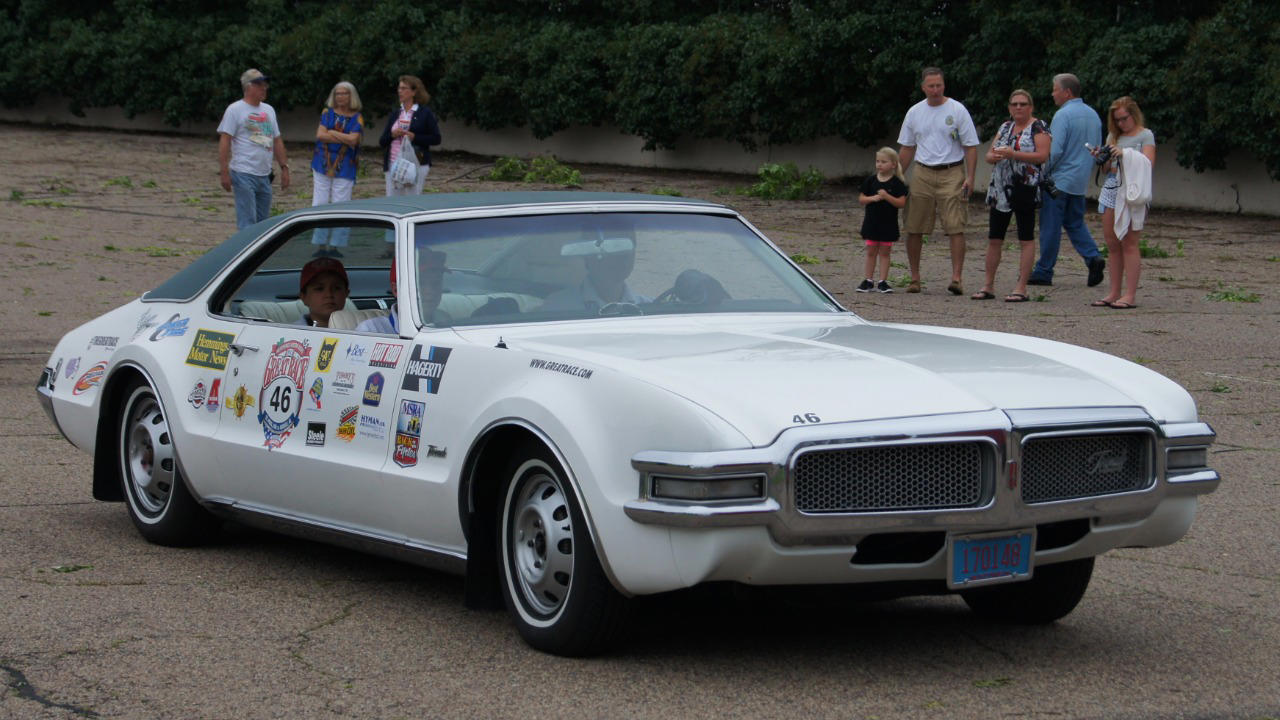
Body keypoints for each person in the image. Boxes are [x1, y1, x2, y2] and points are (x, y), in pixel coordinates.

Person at [896, 67, 980, 295]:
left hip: (952, 171)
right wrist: (894, 177)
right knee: (914, 225)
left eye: (939, 85)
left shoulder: (957, 109)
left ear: (944, 85)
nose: (935, 90)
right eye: (931, 86)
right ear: (923, 87)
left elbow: (970, 146)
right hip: (922, 171)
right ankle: (914, 278)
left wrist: (970, 177)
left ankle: (956, 278)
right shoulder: (914, 112)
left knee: (955, 226)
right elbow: (907, 147)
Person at [1028, 73, 1106, 287]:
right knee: (1074, 222)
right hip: (1079, 182)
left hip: (1059, 181)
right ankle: (1093, 257)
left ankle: (1044, 270)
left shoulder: (1063, 115)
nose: (1052, 93)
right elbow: (1097, 151)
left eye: (1055, 89)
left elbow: (1056, 150)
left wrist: (1042, 173)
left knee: (1050, 226)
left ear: (1067, 92)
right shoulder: (1093, 115)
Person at [976, 89, 1051, 302]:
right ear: (1009, 107)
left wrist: (1014, 154)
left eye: (1023, 104)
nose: (1018, 107)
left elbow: (1043, 156)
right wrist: (995, 155)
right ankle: (988, 285)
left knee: (1025, 237)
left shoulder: (1039, 126)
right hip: (1001, 189)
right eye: (1015, 104)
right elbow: (990, 154)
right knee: (994, 238)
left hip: (1025, 187)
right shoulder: (1005, 127)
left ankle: (1021, 287)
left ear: (1031, 107)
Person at [1092, 96, 1156, 309]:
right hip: (1112, 188)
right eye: (1117, 120)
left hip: (1133, 191)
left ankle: (1130, 294)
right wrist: (1102, 156)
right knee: (1112, 243)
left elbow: (1148, 163)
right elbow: (1107, 168)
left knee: (1129, 242)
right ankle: (1113, 292)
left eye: (1124, 118)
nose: (1121, 123)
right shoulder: (1113, 136)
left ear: (1134, 114)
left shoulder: (1145, 135)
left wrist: (1126, 154)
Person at [218, 69, 290, 229]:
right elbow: (225, 140)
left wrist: (284, 167)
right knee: (247, 222)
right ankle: (244, 252)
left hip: (264, 174)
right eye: (259, 85)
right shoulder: (235, 109)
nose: (264, 88)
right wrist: (224, 171)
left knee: (262, 224)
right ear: (248, 87)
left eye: (265, 85)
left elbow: (276, 139)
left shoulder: (268, 110)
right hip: (243, 172)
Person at [310, 81, 364, 257]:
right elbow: (320, 135)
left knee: (342, 204)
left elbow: (354, 140)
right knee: (320, 203)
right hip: (322, 162)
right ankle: (319, 244)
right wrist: (344, 137)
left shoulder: (357, 117)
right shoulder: (327, 113)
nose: (341, 97)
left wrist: (332, 133)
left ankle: (335, 246)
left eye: (344, 94)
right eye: (338, 93)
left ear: (351, 96)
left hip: (345, 164)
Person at [539, 236, 652, 313]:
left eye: (627, 249)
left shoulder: (652, 308)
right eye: (612, 248)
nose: (621, 258)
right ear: (588, 257)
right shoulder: (557, 307)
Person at [355, 249, 448, 333]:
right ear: (396, 290)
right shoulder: (372, 330)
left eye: (436, 283)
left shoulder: (445, 321)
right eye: (420, 284)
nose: (430, 291)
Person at [855, 147, 908, 293]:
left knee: (885, 253)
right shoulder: (870, 180)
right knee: (871, 251)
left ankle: (883, 281)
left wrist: (887, 196)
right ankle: (868, 280)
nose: (879, 164)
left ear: (893, 164)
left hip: (888, 224)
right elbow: (861, 198)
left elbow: (902, 203)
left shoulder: (897, 183)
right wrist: (872, 198)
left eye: (884, 162)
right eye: (877, 161)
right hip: (872, 222)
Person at [380, 75, 442, 198]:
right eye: (399, 88)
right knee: (392, 201)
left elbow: (436, 138)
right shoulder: (396, 113)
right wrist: (393, 135)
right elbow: (382, 141)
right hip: (393, 163)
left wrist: (415, 137)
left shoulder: (425, 113)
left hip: (416, 163)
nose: (400, 91)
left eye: (404, 88)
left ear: (414, 92)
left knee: (412, 199)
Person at [297, 257, 349, 328]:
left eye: (336, 288)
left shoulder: (361, 329)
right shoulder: (291, 335)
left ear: (346, 293)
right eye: (319, 289)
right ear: (303, 297)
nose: (329, 294)